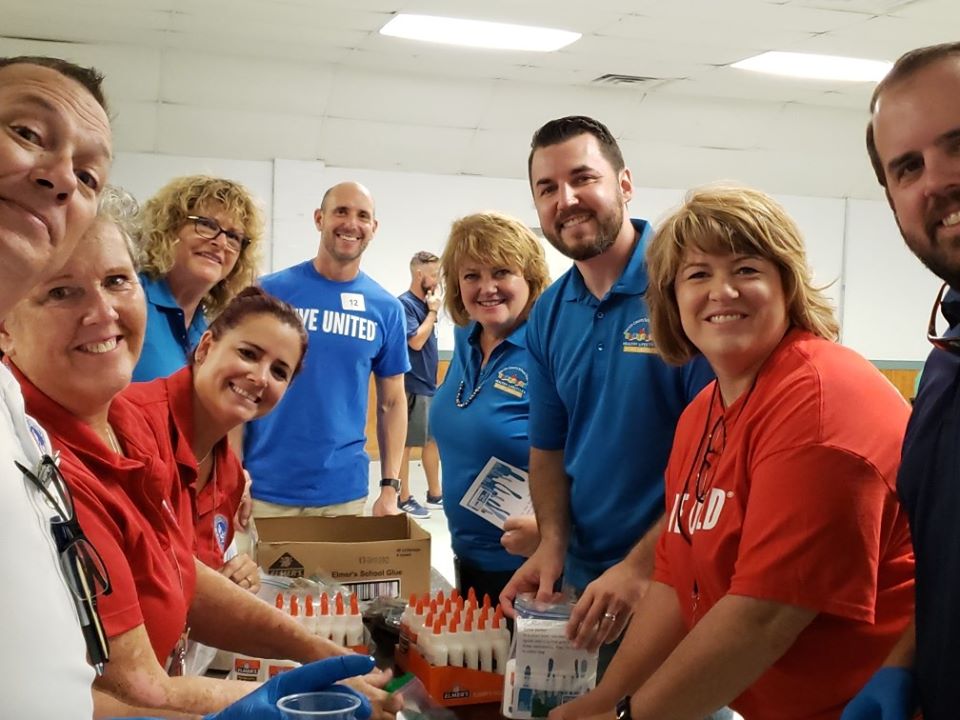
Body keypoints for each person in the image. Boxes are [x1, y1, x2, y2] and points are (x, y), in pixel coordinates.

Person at [0, 54, 377, 720]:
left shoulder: (122, 440)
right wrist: (283, 699)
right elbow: (130, 686)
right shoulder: (90, 441)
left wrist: (308, 653)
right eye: (60, 291)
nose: (104, 315)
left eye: (117, 284)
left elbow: (173, 570)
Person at [550, 185, 915, 720]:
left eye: (746, 269)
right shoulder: (704, 411)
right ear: (672, 300)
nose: (722, 291)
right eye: (697, 275)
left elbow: (765, 616)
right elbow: (674, 581)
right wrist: (605, 700)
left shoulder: (820, 401)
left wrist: (631, 717)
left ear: (787, 287)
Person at [500, 116, 713, 662]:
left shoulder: (683, 289)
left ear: (623, 184)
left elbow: (720, 460)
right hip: (586, 582)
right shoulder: (548, 312)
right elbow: (548, 449)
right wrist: (552, 545)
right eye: (547, 188)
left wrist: (642, 567)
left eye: (582, 178)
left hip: (679, 577)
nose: (565, 199)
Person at [842, 42, 960, 720]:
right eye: (909, 166)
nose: (938, 180)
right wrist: (906, 661)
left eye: (958, 144)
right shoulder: (945, 361)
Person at [244, 181, 410, 518]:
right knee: (254, 575)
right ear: (320, 218)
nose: (352, 223)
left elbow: (392, 402)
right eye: (341, 212)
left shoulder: (386, 309)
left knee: (331, 575)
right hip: (263, 490)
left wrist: (390, 488)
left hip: (342, 493)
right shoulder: (268, 293)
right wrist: (232, 476)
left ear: (373, 228)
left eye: (363, 216)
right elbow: (238, 387)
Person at [429, 212, 547, 601]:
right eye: (471, 275)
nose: (487, 287)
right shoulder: (465, 340)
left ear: (529, 279)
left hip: (529, 568)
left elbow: (598, 462)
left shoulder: (550, 353)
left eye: (501, 272)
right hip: (466, 557)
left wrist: (553, 531)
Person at [133, 174, 264, 383]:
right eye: (207, 225)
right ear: (170, 227)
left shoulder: (208, 332)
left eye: (233, 237)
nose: (220, 242)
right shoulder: (130, 295)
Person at [396, 250, 443, 519]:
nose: (437, 281)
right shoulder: (405, 304)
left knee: (433, 441)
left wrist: (432, 309)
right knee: (406, 444)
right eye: (434, 275)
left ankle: (434, 493)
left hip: (429, 384)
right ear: (419, 275)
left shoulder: (426, 304)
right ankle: (404, 498)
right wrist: (433, 312)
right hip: (411, 384)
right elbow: (415, 341)